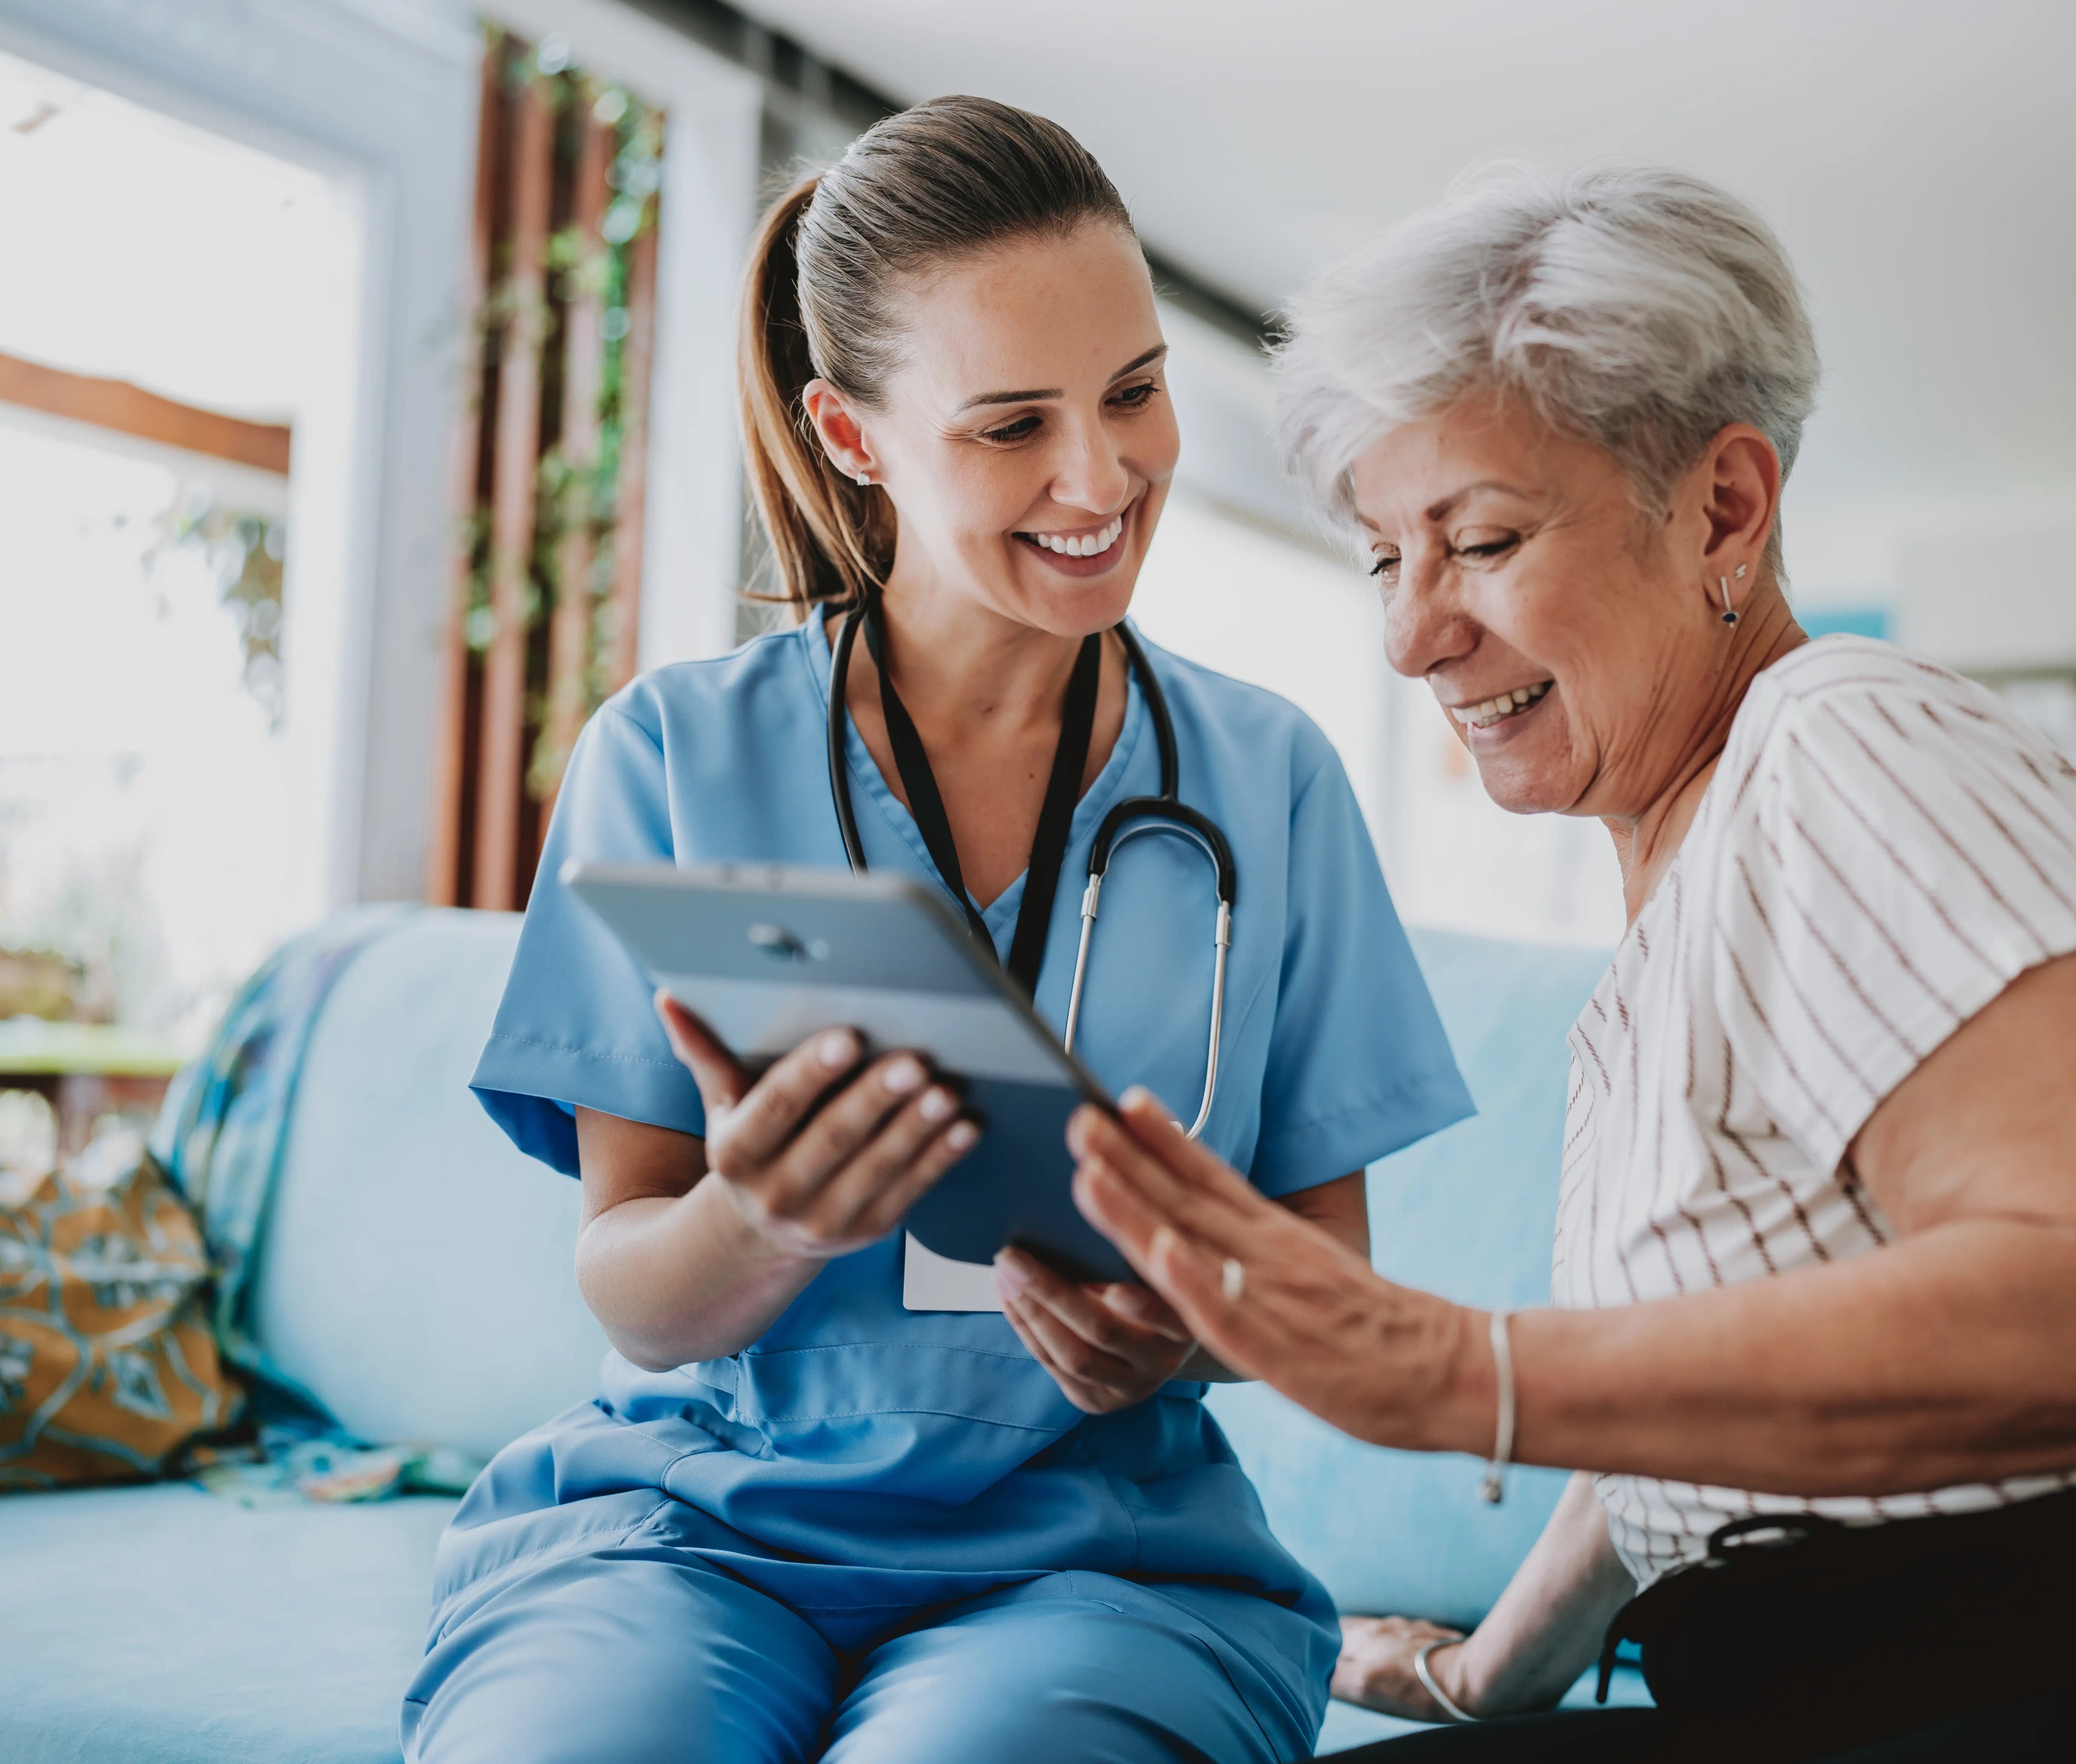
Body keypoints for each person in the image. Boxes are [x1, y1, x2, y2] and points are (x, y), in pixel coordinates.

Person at [1055, 163, 2076, 1761]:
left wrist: (1463, 1367)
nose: (1411, 636)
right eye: (1384, 558)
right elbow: (1698, 1440)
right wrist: (1486, 1677)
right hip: (1856, 1669)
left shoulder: (1844, 740)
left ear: (1724, 509)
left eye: (1478, 538)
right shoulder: (1669, 939)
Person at [402, 97, 1472, 1764]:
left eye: (1135, 391)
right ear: (851, 435)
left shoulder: (1269, 782)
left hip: (1104, 1559)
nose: (1100, 477)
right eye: (1009, 425)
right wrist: (756, 1216)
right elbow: (636, 1288)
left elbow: (1330, 1272)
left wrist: (1186, 1324)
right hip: (687, 1533)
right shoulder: (673, 755)